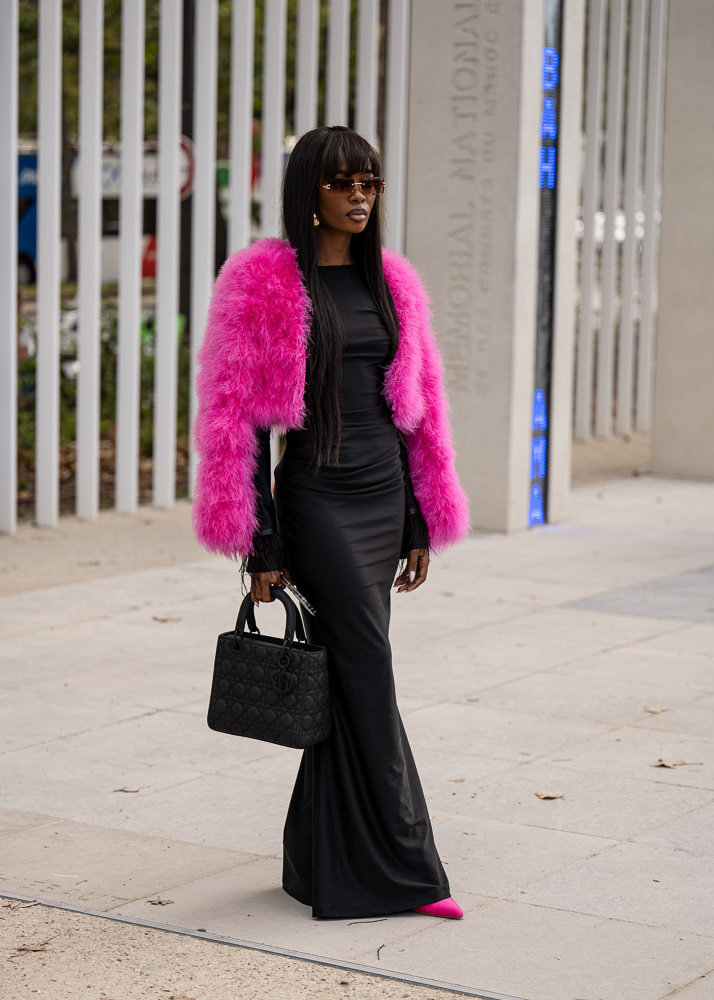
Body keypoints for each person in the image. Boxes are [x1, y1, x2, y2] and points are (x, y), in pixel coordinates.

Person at [193, 125, 470, 920]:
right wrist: (261, 540)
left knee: (349, 676)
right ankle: (409, 870)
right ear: (308, 191)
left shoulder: (394, 283)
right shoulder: (264, 282)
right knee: (369, 669)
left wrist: (420, 517)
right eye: (342, 182)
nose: (358, 196)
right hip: (317, 500)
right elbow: (235, 420)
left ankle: (316, 862)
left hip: (384, 496)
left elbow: (415, 413)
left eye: (370, 182)